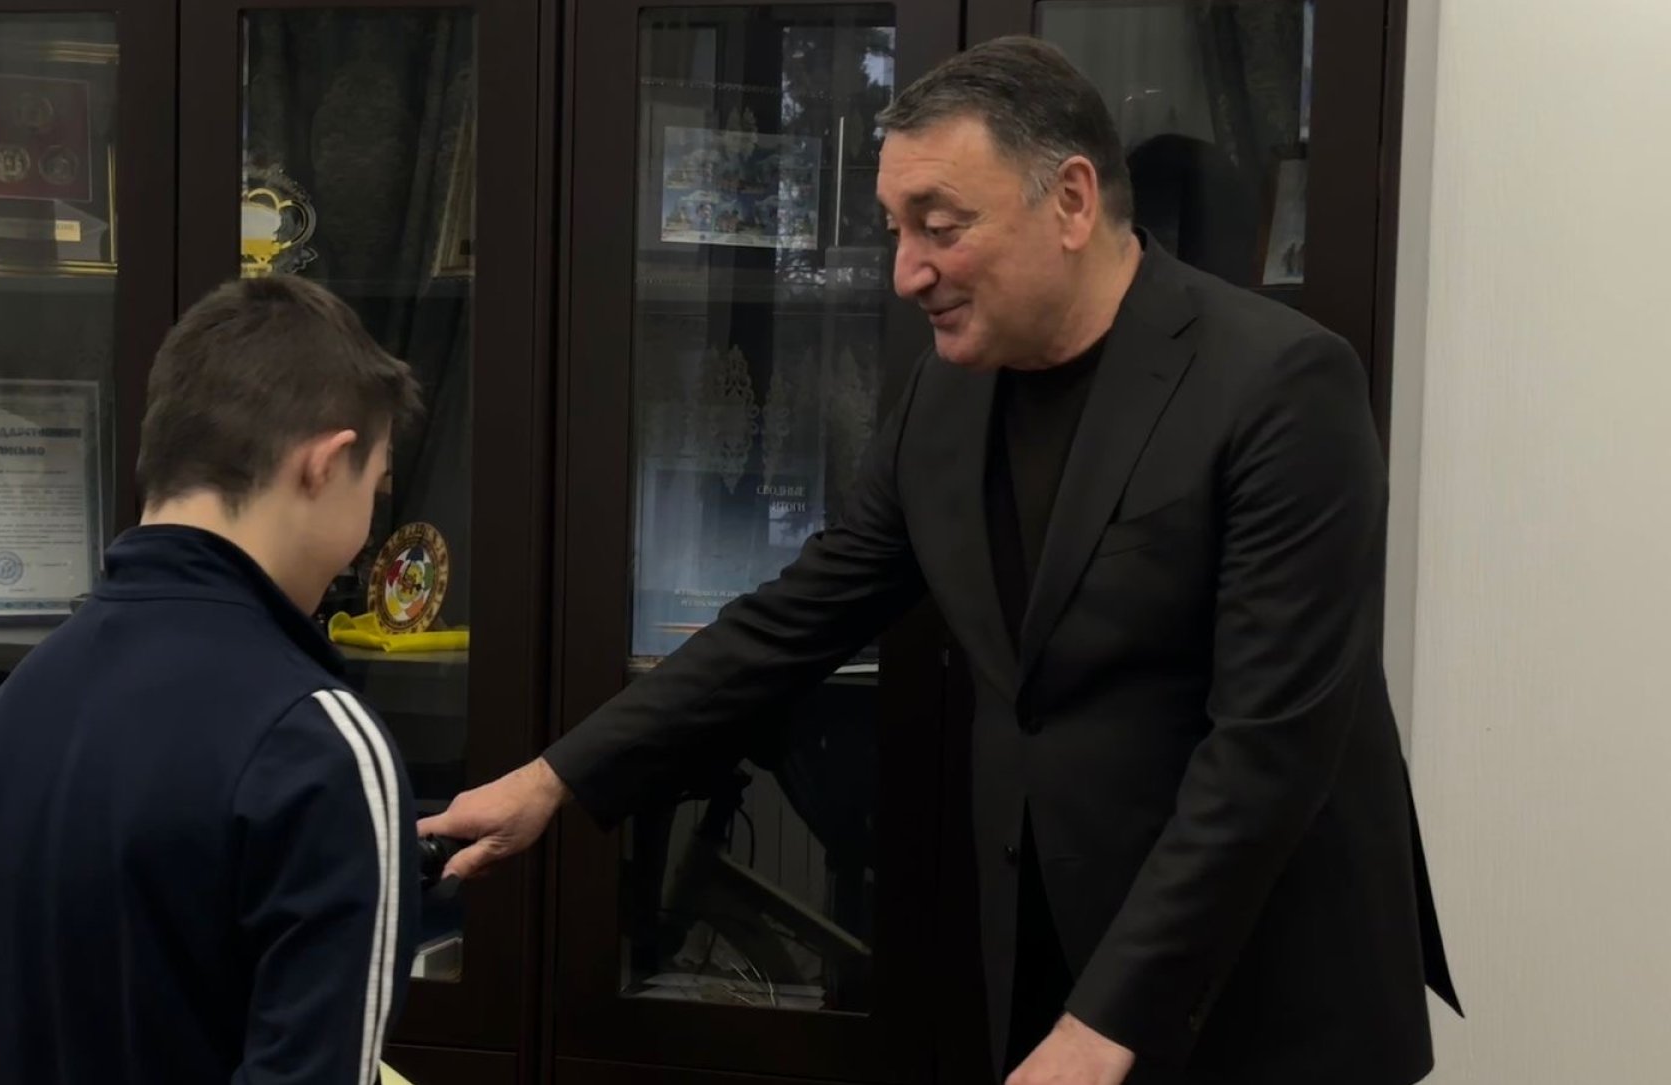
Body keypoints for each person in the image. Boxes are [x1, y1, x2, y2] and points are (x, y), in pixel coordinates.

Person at [422, 34, 1459, 1085]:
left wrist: (1106, 1021)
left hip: (1263, 994)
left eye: (941, 226)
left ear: (1071, 201)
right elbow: (798, 614)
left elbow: (1268, 749)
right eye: (895, 229)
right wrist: (555, 777)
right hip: (1050, 956)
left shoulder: (1280, 385)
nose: (907, 271)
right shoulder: (946, 392)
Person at [0, 275, 424, 1085]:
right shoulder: (319, 740)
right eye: (377, 485)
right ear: (325, 464)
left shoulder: (8, 711)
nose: (366, 532)